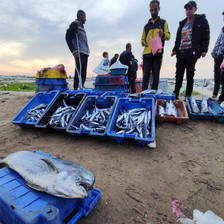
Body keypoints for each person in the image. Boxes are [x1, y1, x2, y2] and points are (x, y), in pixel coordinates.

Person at [171, 1, 210, 99]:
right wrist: (175, 49)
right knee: (178, 74)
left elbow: (206, 35)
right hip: (181, 51)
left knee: (190, 74)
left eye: (190, 9)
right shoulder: (182, 24)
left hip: (192, 52)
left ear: (195, 9)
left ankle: (188, 95)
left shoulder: (201, 21)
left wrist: (204, 49)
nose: (188, 11)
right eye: (186, 9)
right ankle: (176, 93)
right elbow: (178, 38)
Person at [141, 0, 170, 91]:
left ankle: (153, 93)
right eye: (151, 10)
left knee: (156, 75)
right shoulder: (146, 26)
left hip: (157, 53)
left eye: (155, 9)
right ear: (149, 10)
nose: (153, 12)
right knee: (145, 75)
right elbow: (142, 39)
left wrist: (163, 35)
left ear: (158, 9)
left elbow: (168, 36)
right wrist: (143, 43)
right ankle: (143, 93)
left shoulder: (163, 23)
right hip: (146, 54)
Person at [65, 10, 89, 90]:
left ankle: (82, 86)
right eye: (84, 17)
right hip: (79, 51)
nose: (85, 19)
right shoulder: (75, 24)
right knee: (79, 70)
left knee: (83, 71)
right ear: (80, 16)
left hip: (85, 52)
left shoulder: (81, 26)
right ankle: (76, 87)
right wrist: (73, 51)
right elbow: (68, 37)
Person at [210, 11, 224, 102]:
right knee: (217, 77)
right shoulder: (222, 29)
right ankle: (215, 95)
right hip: (218, 56)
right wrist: (214, 53)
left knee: (223, 78)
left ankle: (222, 98)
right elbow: (218, 42)